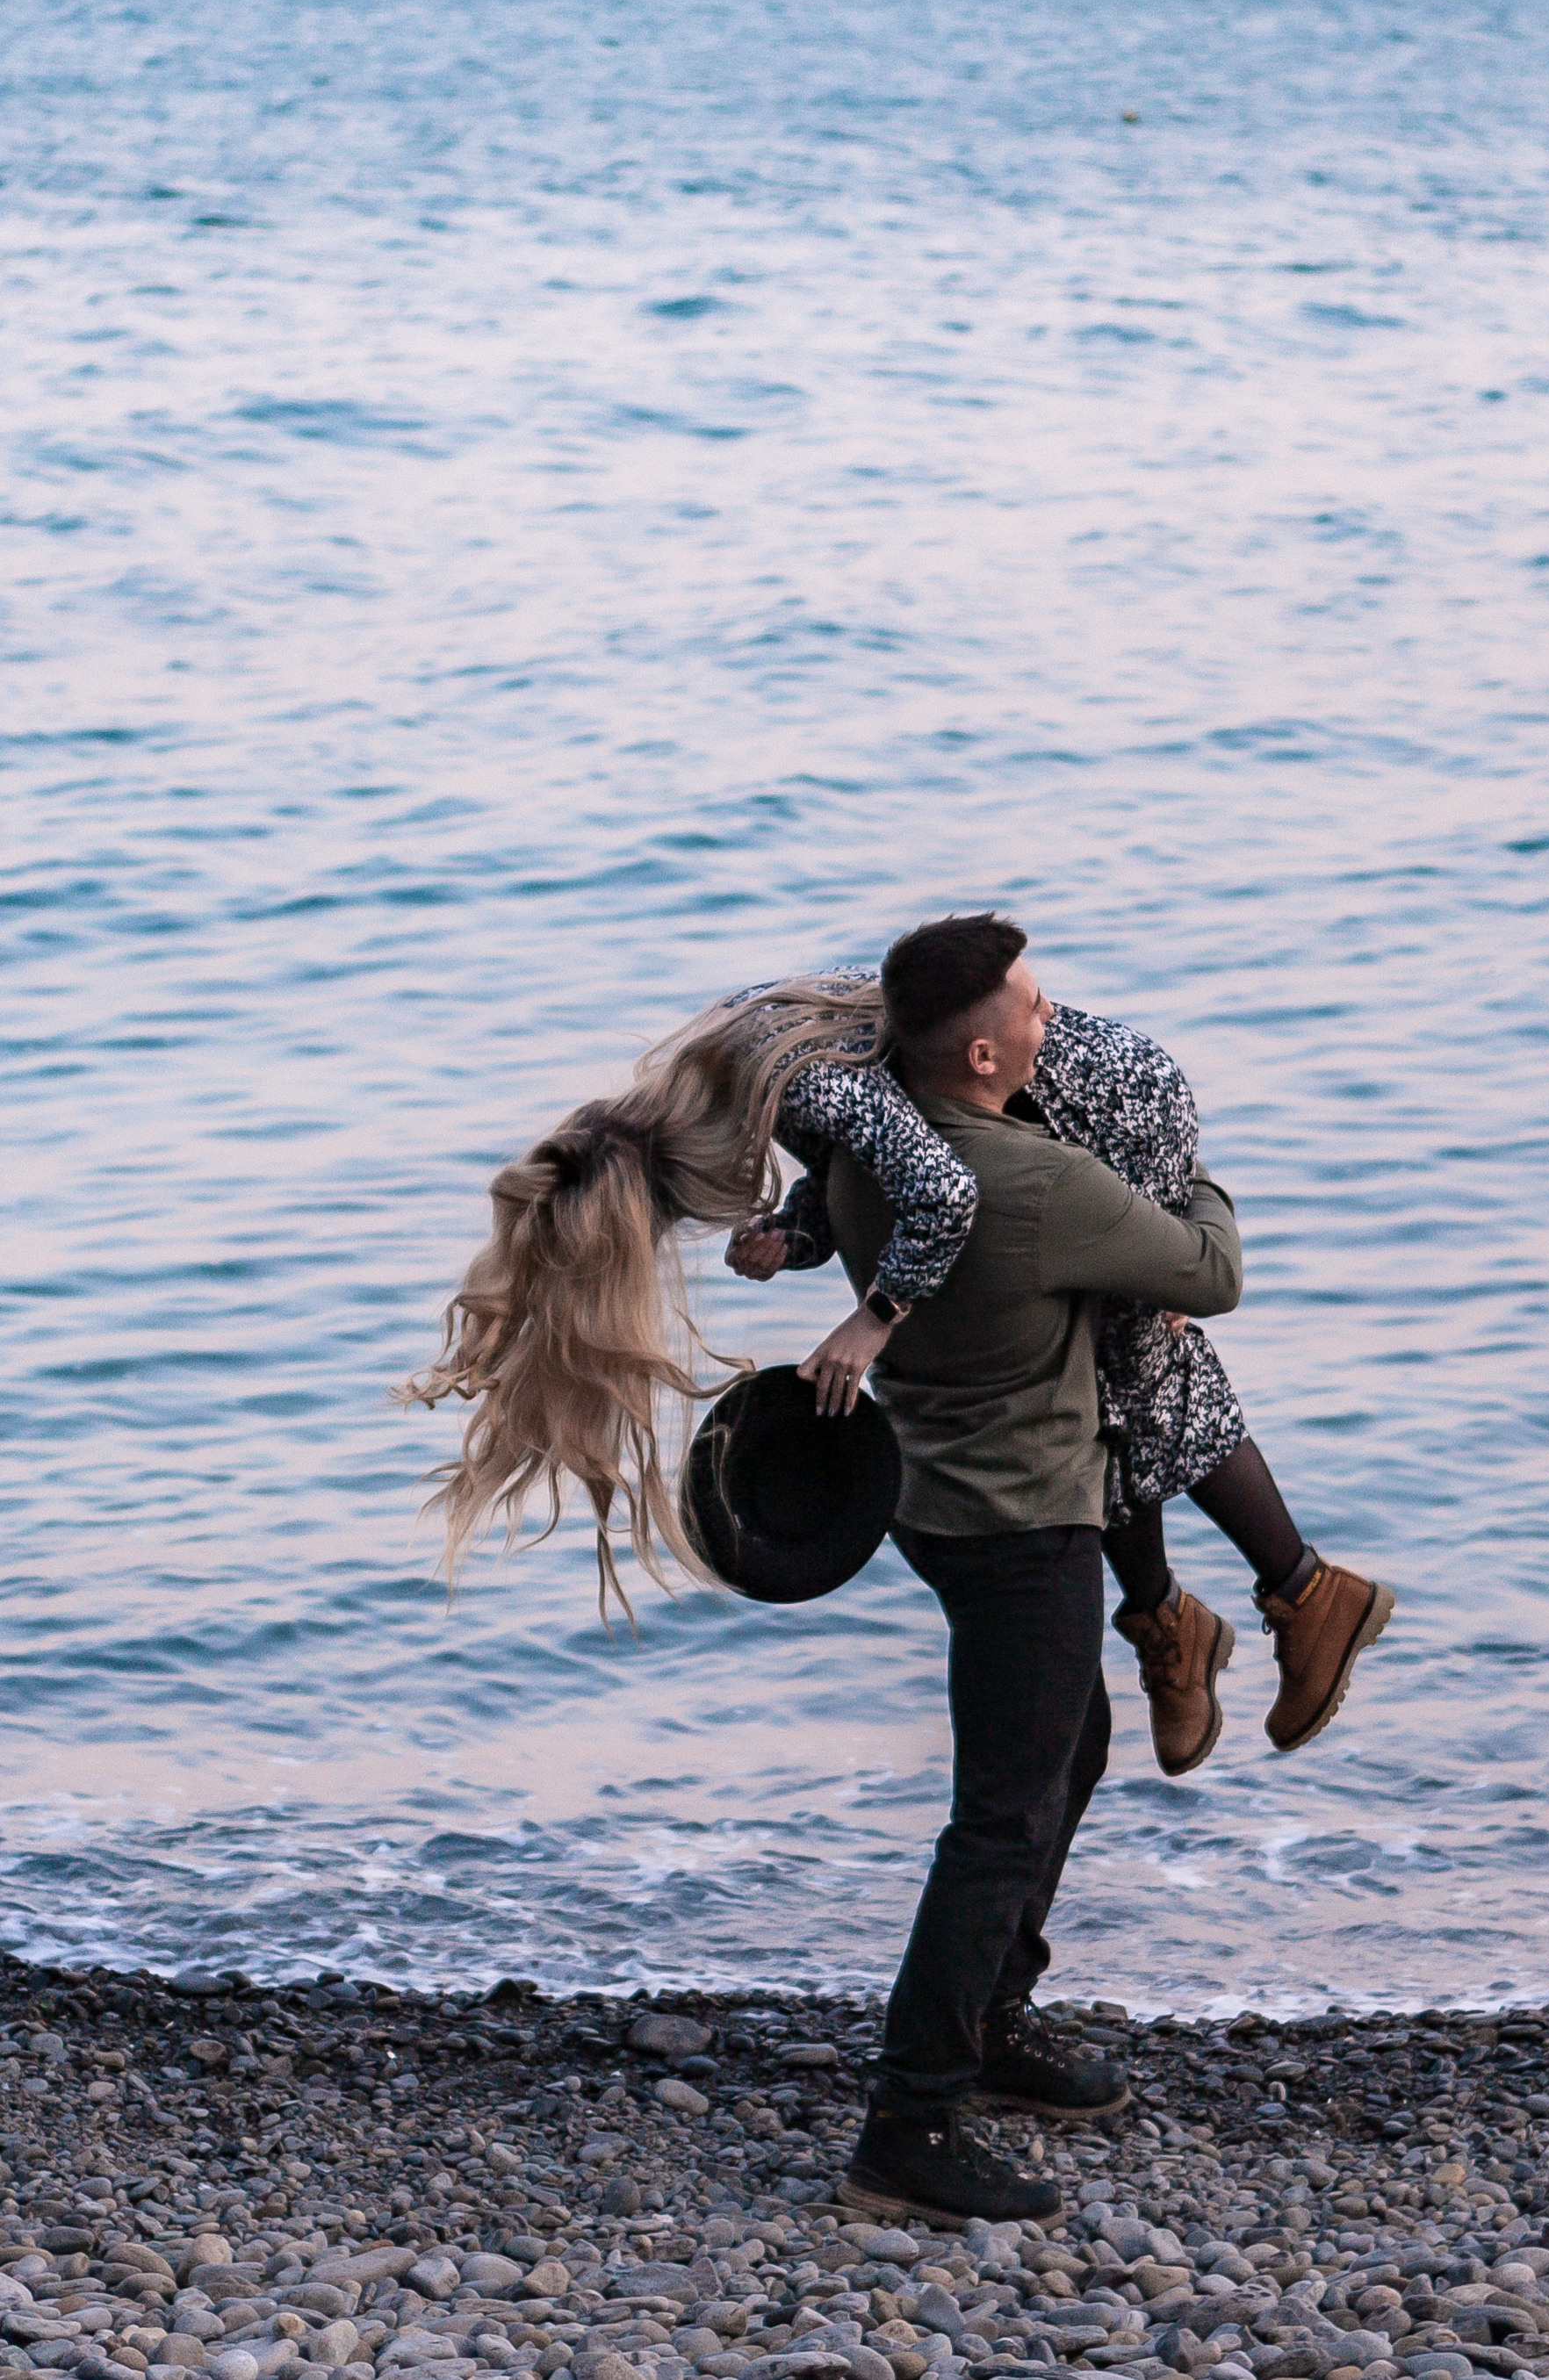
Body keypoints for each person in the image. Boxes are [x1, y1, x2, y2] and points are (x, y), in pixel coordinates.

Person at [406, 938, 1394, 1768]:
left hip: (1104, 1113)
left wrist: (872, 1317)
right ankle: (1179, 1618)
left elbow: (941, 1191)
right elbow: (865, 1165)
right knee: (1090, 1370)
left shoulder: (798, 1091)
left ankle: (1297, 1594)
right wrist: (793, 1238)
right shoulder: (730, 1064)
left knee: (1120, 1372)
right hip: (1020, 1105)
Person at [819, 913, 1249, 2225]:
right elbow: (1212, 1272)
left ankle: (993, 2018)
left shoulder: (864, 1142)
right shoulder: (1034, 1182)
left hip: (932, 1495)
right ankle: (912, 2116)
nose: (1059, 1023)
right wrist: (1193, 1175)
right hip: (1027, 1523)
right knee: (999, 1816)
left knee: (1068, 1749)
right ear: (993, 1049)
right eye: (1043, 1010)